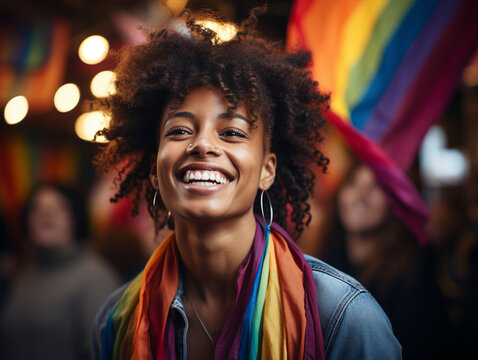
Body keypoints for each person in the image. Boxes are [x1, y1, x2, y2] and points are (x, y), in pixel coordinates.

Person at [92, 8, 401, 360]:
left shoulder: (343, 317)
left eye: (232, 132)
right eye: (179, 130)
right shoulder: (117, 322)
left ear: (267, 171)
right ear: (153, 171)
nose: (203, 145)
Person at [324, 163, 449, 359]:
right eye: (352, 184)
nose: (360, 196)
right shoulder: (325, 264)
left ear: (394, 203)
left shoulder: (414, 276)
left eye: (375, 187)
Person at [0, 183, 120, 360]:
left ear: (76, 218)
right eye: (37, 208)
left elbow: (103, 352)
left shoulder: (95, 278)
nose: (46, 214)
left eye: (59, 207)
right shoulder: (21, 276)